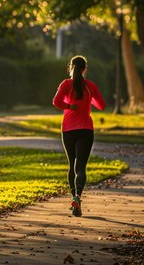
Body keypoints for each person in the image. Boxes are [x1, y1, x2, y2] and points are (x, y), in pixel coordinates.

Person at [52, 55, 106, 217]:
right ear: (84, 69)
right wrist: (89, 101)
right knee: (80, 167)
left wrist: (70, 106)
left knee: (71, 166)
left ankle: (74, 198)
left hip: (68, 129)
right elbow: (102, 105)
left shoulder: (66, 84)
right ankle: (78, 197)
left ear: (71, 67)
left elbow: (56, 102)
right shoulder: (90, 86)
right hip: (85, 130)